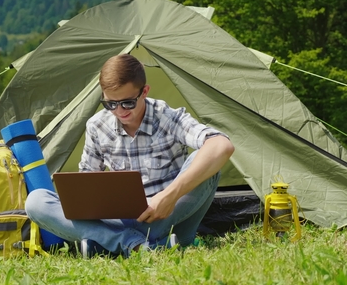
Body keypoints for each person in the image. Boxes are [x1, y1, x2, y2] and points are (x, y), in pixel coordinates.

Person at [25, 54, 235, 257]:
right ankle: (135, 244)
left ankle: (104, 243)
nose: (119, 111)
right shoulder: (97, 126)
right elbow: (86, 185)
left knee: (206, 161)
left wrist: (168, 196)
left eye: (127, 103)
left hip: (167, 215)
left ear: (144, 92)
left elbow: (221, 145)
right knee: (35, 202)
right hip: (119, 219)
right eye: (110, 104)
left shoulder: (168, 117)